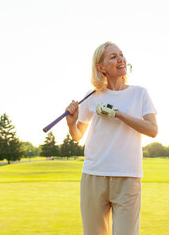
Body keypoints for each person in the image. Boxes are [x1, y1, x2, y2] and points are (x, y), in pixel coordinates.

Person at [66, 41, 158, 235]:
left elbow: (152, 130)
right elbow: (77, 136)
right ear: (100, 67)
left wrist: (117, 113)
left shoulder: (139, 93)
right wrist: (71, 124)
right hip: (94, 175)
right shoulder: (92, 95)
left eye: (121, 55)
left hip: (128, 176)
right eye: (113, 56)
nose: (121, 59)